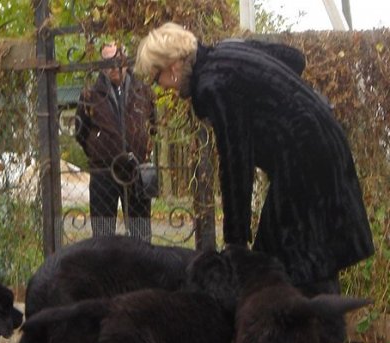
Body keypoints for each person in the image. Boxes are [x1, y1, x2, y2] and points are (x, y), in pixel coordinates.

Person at [135, 23, 374, 295]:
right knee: (310, 252)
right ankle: (325, 324)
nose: (162, 88)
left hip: (302, 160)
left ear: (173, 67)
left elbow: (236, 160)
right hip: (324, 141)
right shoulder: (230, 51)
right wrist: (277, 105)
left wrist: (235, 242)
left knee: (280, 261)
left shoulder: (212, 85)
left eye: (157, 78)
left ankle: (310, 329)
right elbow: (295, 58)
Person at [75, 42, 157, 242]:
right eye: (108, 62)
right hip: (104, 172)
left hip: (136, 170)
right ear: (101, 66)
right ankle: (105, 272)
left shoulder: (143, 91)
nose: (114, 67)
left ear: (126, 62)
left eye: (118, 60)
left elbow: (153, 126)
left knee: (141, 234)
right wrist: (100, 150)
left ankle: (140, 271)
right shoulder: (89, 95)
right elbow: (80, 132)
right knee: (103, 235)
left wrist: (141, 145)